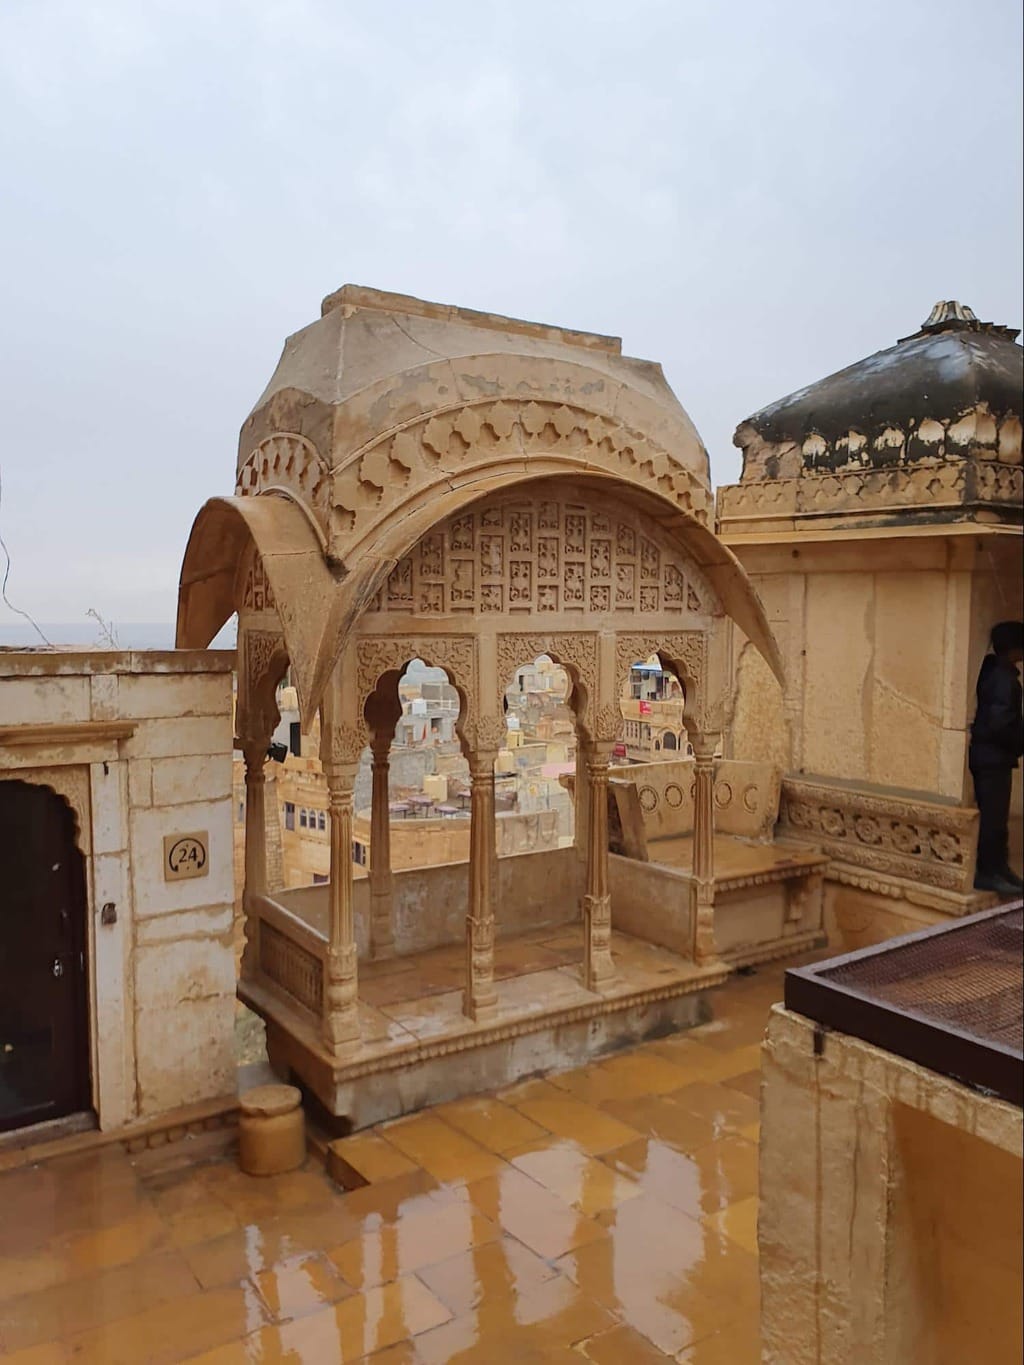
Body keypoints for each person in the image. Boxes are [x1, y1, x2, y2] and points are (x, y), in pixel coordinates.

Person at [969, 620, 1024, 895]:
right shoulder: (1003, 680)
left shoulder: (998, 674)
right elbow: (1000, 722)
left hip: (991, 757)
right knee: (993, 818)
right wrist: (1018, 742)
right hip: (993, 758)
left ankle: (999, 868)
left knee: (997, 818)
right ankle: (988, 872)